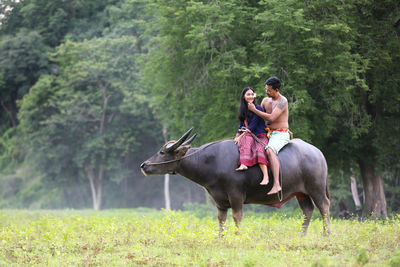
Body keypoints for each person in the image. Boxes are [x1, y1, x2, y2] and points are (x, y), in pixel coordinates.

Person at [248, 77, 289, 195]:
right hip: (266, 131)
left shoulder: (282, 101)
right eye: (266, 89)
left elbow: (271, 117)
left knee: (270, 150)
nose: (267, 92)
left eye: (269, 90)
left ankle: (276, 184)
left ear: (276, 90)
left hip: (280, 133)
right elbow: (259, 117)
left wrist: (254, 110)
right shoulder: (265, 101)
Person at [234, 87, 270, 185]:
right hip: (249, 135)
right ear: (244, 97)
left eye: (252, 94)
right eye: (248, 94)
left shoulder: (257, 108)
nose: (250, 96)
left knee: (259, 150)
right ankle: (244, 164)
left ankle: (266, 177)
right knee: (243, 141)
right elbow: (241, 124)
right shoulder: (242, 109)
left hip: (260, 136)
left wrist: (240, 137)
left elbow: (253, 126)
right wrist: (237, 135)